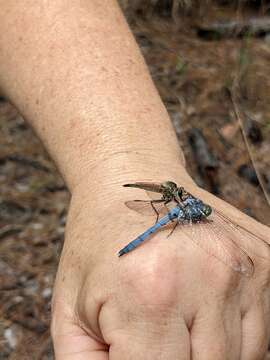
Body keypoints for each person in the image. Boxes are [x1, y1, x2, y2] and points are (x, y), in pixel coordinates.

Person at [0, 1, 269, 359]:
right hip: (157, 208)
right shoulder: (176, 202)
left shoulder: (190, 206)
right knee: (166, 222)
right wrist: (117, 172)